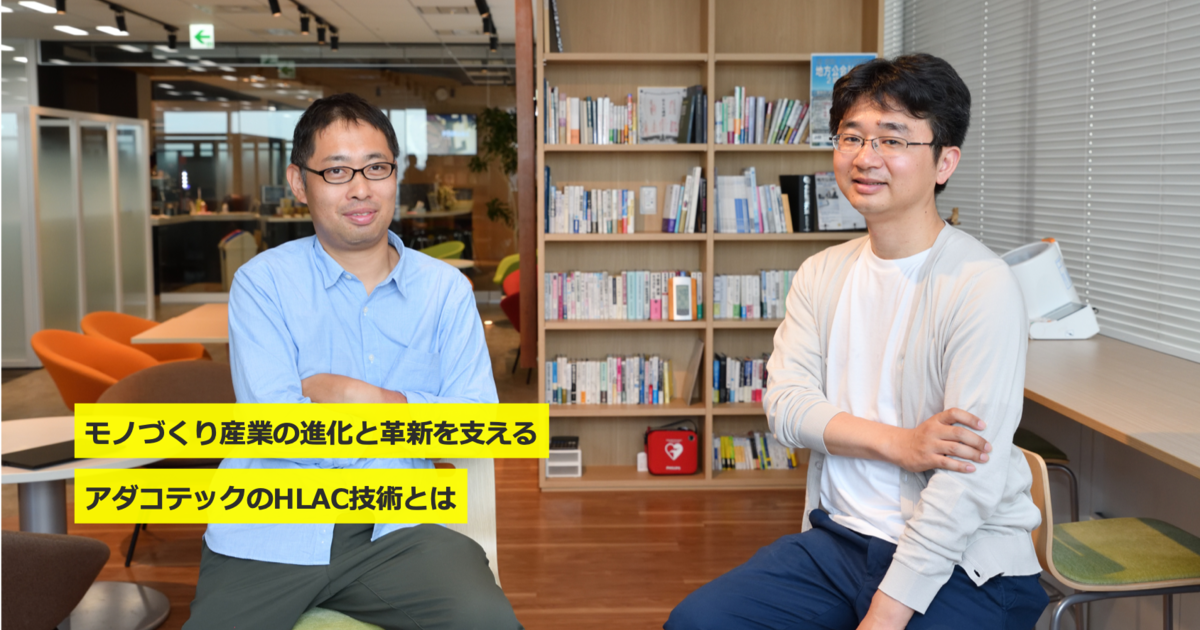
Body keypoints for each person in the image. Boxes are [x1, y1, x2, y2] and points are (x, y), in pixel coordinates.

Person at [666, 54, 1048, 629]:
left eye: (892, 139)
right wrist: (902, 444)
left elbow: (967, 480)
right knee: (698, 622)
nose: (866, 157)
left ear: (945, 161)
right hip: (838, 542)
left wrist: (887, 612)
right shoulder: (821, 273)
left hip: (961, 561)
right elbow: (786, 409)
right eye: (852, 137)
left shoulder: (981, 285)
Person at [183, 93, 522, 630]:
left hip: (397, 532)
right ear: (299, 183)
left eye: (376, 167)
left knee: (487, 621)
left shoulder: (445, 291)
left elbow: (477, 429)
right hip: (270, 530)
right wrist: (415, 419)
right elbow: (279, 427)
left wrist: (366, 398)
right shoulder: (263, 283)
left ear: (395, 174)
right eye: (337, 170)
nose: (361, 188)